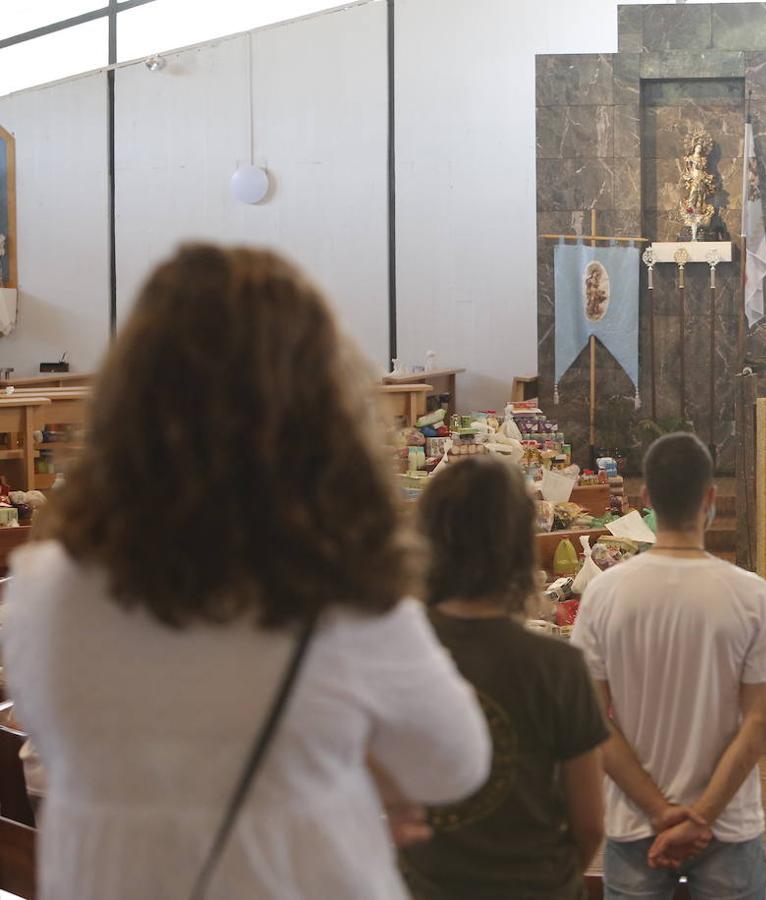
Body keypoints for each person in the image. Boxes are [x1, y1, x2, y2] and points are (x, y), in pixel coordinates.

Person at [0, 243, 491, 899]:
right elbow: (453, 764)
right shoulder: (343, 595)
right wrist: (357, 769)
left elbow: (69, 733)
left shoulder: (41, 588)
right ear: (319, 408)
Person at [572, 433, 766, 899]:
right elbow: (760, 723)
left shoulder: (603, 593)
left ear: (647, 499)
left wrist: (659, 812)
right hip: (728, 824)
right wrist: (701, 818)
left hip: (635, 823)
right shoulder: (751, 595)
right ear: (710, 499)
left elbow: (591, 722)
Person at [399, 455, 608, 900]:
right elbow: (589, 824)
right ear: (519, 546)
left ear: (427, 542)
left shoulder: (394, 655)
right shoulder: (559, 666)